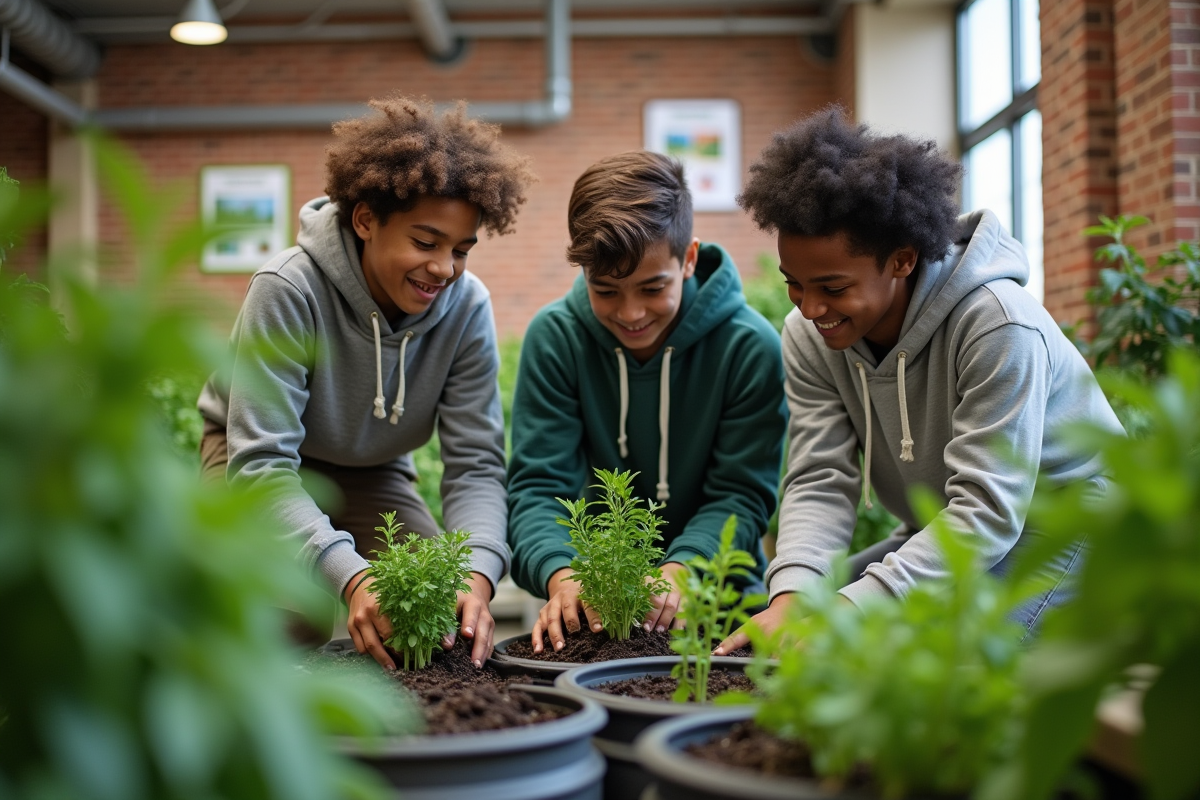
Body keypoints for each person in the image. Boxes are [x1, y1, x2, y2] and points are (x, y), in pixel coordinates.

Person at [716, 108, 1123, 654]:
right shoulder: (809, 334)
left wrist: (848, 610)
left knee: (905, 652)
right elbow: (819, 478)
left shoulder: (999, 324)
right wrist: (795, 594)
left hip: (1071, 529)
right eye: (795, 284)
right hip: (951, 529)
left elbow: (987, 509)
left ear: (902, 261)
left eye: (833, 287)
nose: (810, 307)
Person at [198, 96, 536, 669]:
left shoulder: (466, 306)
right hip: (252, 460)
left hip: (374, 470)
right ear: (365, 221)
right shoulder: (287, 289)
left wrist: (477, 573)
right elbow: (260, 467)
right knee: (285, 617)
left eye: (461, 250)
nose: (445, 269)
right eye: (425, 243)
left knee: (429, 614)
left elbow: (475, 464)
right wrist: (351, 578)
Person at [507, 151, 787, 653]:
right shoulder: (556, 339)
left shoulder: (748, 346)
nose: (631, 312)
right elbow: (538, 486)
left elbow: (741, 495)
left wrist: (681, 571)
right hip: (591, 618)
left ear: (690, 259)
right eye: (606, 291)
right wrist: (562, 574)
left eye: (652, 288)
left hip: (720, 613)